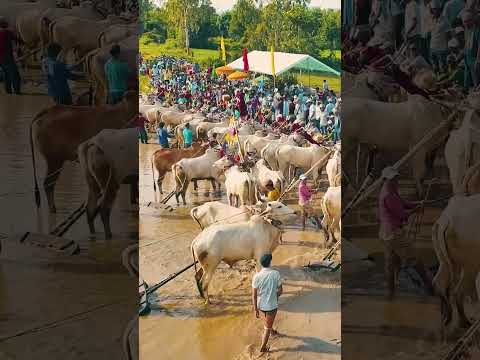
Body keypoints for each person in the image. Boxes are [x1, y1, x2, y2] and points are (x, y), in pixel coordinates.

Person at [378, 167, 433, 300]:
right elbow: (401, 214)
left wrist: (416, 204)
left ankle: (390, 293)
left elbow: (403, 203)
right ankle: (430, 287)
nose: (396, 181)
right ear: (385, 179)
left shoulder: (390, 190)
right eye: (392, 179)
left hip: (386, 233)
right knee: (415, 258)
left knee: (391, 262)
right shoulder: (388, 195)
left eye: (396, 178)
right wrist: (416, 210)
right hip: (394, 233)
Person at [252, 253, 283, 354]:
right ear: (270, 262)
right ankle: (263, 348)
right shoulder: (275, 274)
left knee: (267, 321)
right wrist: (275, 296)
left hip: (261, 305)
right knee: (267, 328)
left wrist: (256, 309)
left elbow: (254, 295)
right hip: (271, 305)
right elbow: (280, 290)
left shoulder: (256, 276)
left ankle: (272, 331)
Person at [0, 18, 21, 95]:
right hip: (7, 57)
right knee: (15, 75)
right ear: (5, 24)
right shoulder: (7, 32)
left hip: (1, 59)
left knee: (6, 75)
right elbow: (17, 39)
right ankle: (17, 92)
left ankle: (8, 92)